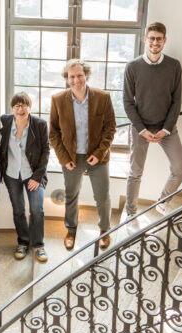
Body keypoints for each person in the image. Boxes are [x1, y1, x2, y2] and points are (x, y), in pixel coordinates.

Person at [49, 59, 116, 251]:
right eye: (72, 76)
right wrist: (64, 159)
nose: (76, 80)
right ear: (67, 79)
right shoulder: (58, 100)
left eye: (79, 75)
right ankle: (71, 230)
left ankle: (104, 230)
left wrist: (99, 152)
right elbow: (53, 133)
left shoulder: (102, 97)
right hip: (71, 158)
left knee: (102, 196)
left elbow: (110, 128)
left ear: (86, 75)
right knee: (71, 195)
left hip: (98, 157)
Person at [123, 22, 182, 217]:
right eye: (152, 38)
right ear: (145, 40)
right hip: (140, 129)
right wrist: (142, 129)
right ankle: (131, 212)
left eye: (159, 39)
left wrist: (165, 129)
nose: (155, 42)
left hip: (166, 129)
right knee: (135, 173)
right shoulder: (132, 67)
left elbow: (177, 101)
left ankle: (162, 201)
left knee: (180, 169)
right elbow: (127, 101)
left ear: (164, 41)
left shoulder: (174, 66)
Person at [0, 92, 50, 262]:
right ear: (12, 107)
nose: (20, 109)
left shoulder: (39, 124)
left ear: (30, 107)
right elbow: (2, 147)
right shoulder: (5, 120)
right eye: (17, 105)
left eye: (24, 105)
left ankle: (38, 245)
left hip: (33, 174)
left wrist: (37, 177)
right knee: (18, 210)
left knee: (37, 210)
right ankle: (23, 242)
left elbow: (46, 151)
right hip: (12, 174)